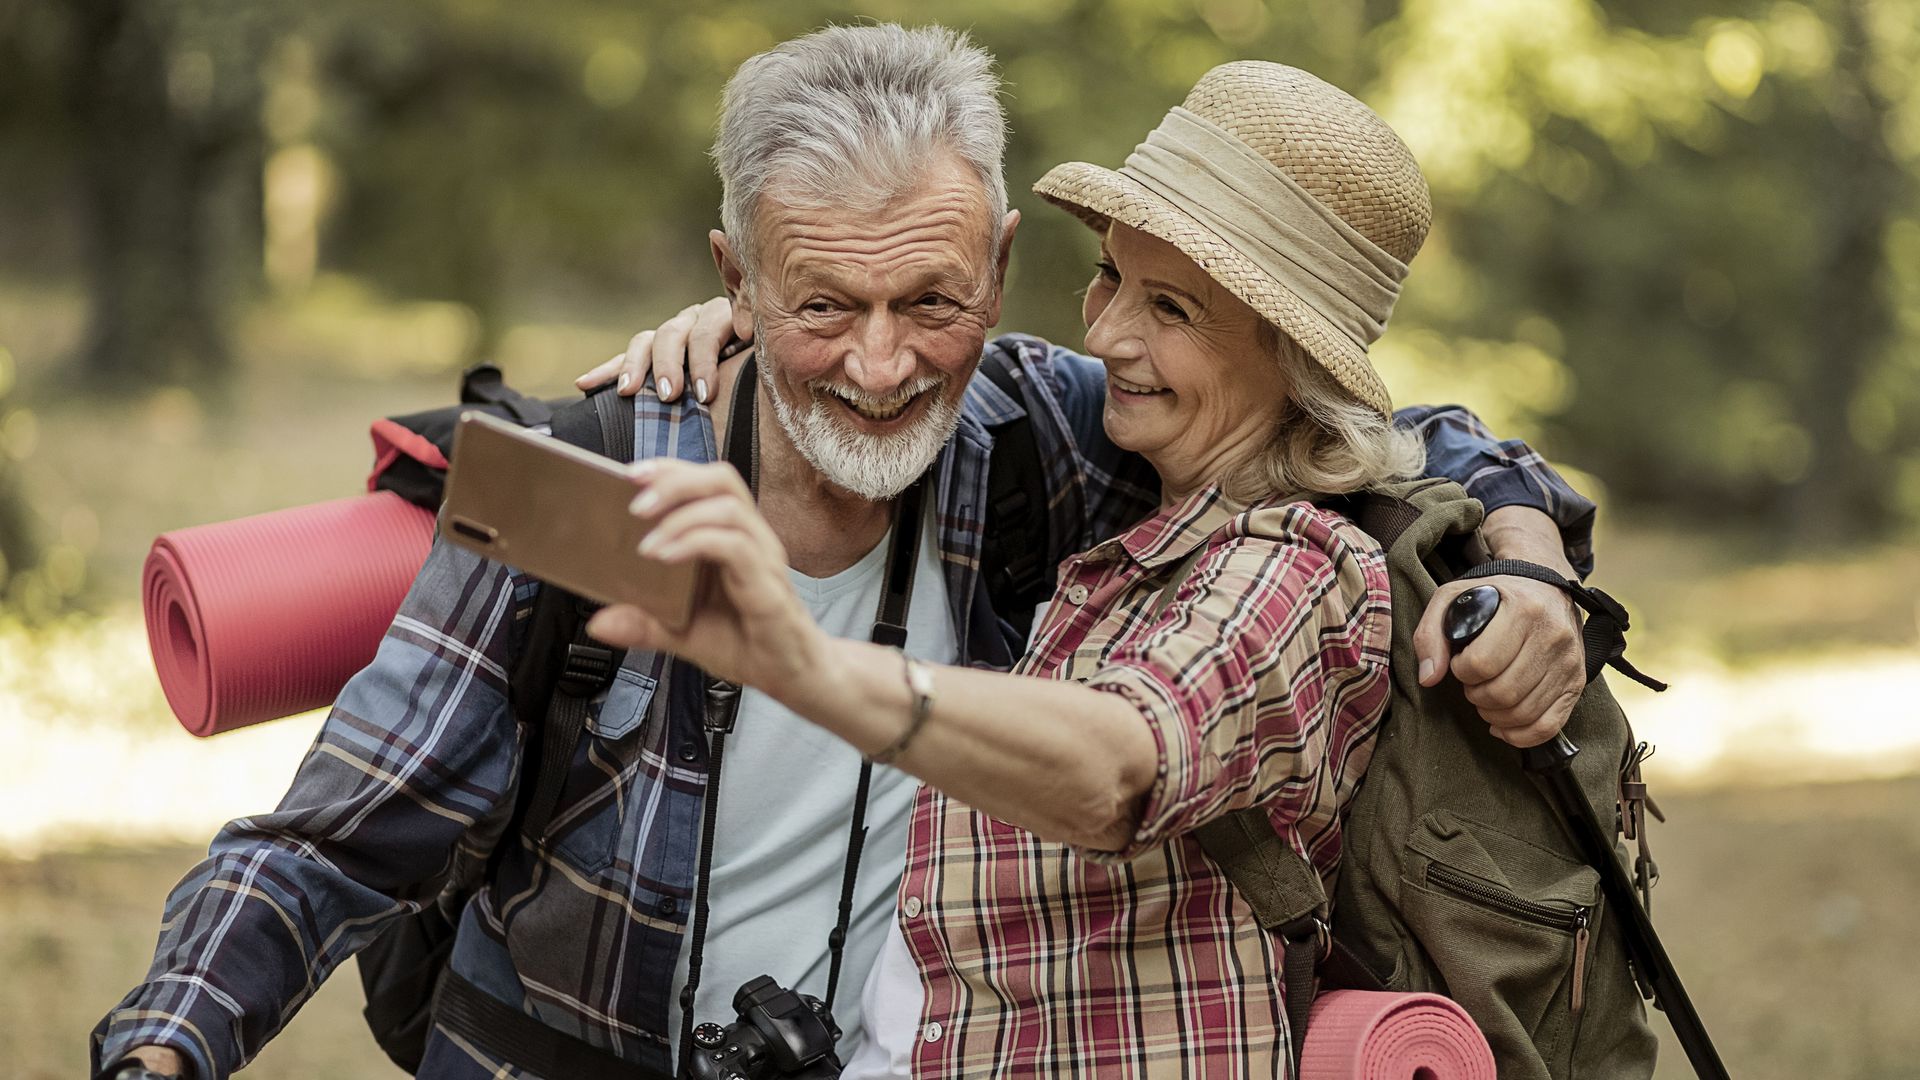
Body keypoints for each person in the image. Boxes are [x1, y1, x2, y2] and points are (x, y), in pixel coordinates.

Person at [95, 26, 1593, 1080]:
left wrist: (1525, 559)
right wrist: (166, 1045)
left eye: (933, 301)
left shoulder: (1065, 435)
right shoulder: (592, 482)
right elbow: (334, 840)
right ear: (731, 278)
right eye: (822, 306)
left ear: (1000, 264)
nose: (882, 368)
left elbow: (1381, 438)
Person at [584, 57, 1478, 1078]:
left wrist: (802, 661)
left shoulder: (1301, 568)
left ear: (1296, 362)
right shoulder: (1125, 503)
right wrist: (769, 316)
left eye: (1172, 310)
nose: (1106, 333)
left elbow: (1120, 761)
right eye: (1111, 275)